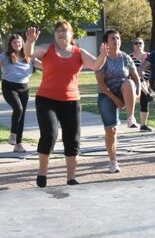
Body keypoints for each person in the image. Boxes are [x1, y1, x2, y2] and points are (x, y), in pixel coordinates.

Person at [26, 22, 107, 187]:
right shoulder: (47, 49)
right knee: (49, 134)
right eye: (58, 31)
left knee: (72, 139)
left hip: (71, 101)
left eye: (64, 30)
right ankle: (42, 173)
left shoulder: (79, 52)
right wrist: (30, 41)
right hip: (46, 99)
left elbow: (96, 65)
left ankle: (71, 177)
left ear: (72, 34)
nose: (61, 33)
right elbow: (29, 54)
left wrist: (103, 54)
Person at [95, 29, 141, 174]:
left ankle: (130, 117)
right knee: (111, 130)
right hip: (106, 94)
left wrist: (138, 92)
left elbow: (135, 78)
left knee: (129, 84)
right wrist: (115, 100)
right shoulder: (103, 59)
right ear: (106, 43)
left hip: (124, 90)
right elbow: (101, 84)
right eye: (112, 39)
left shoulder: (126, 57)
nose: (116, 41)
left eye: (118, 38)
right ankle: (113, 161)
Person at [129, 37, 155, 131]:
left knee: (145, 102)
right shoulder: (129, 57)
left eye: (140, 43)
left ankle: (143, 125)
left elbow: (153, 69)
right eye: (136, 43)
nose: (138, 44)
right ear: (133, 45)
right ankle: (147, 93)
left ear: (144, 44)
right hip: (134, 82)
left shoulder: (149, 55)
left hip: (147, 82)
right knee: (138, 76)